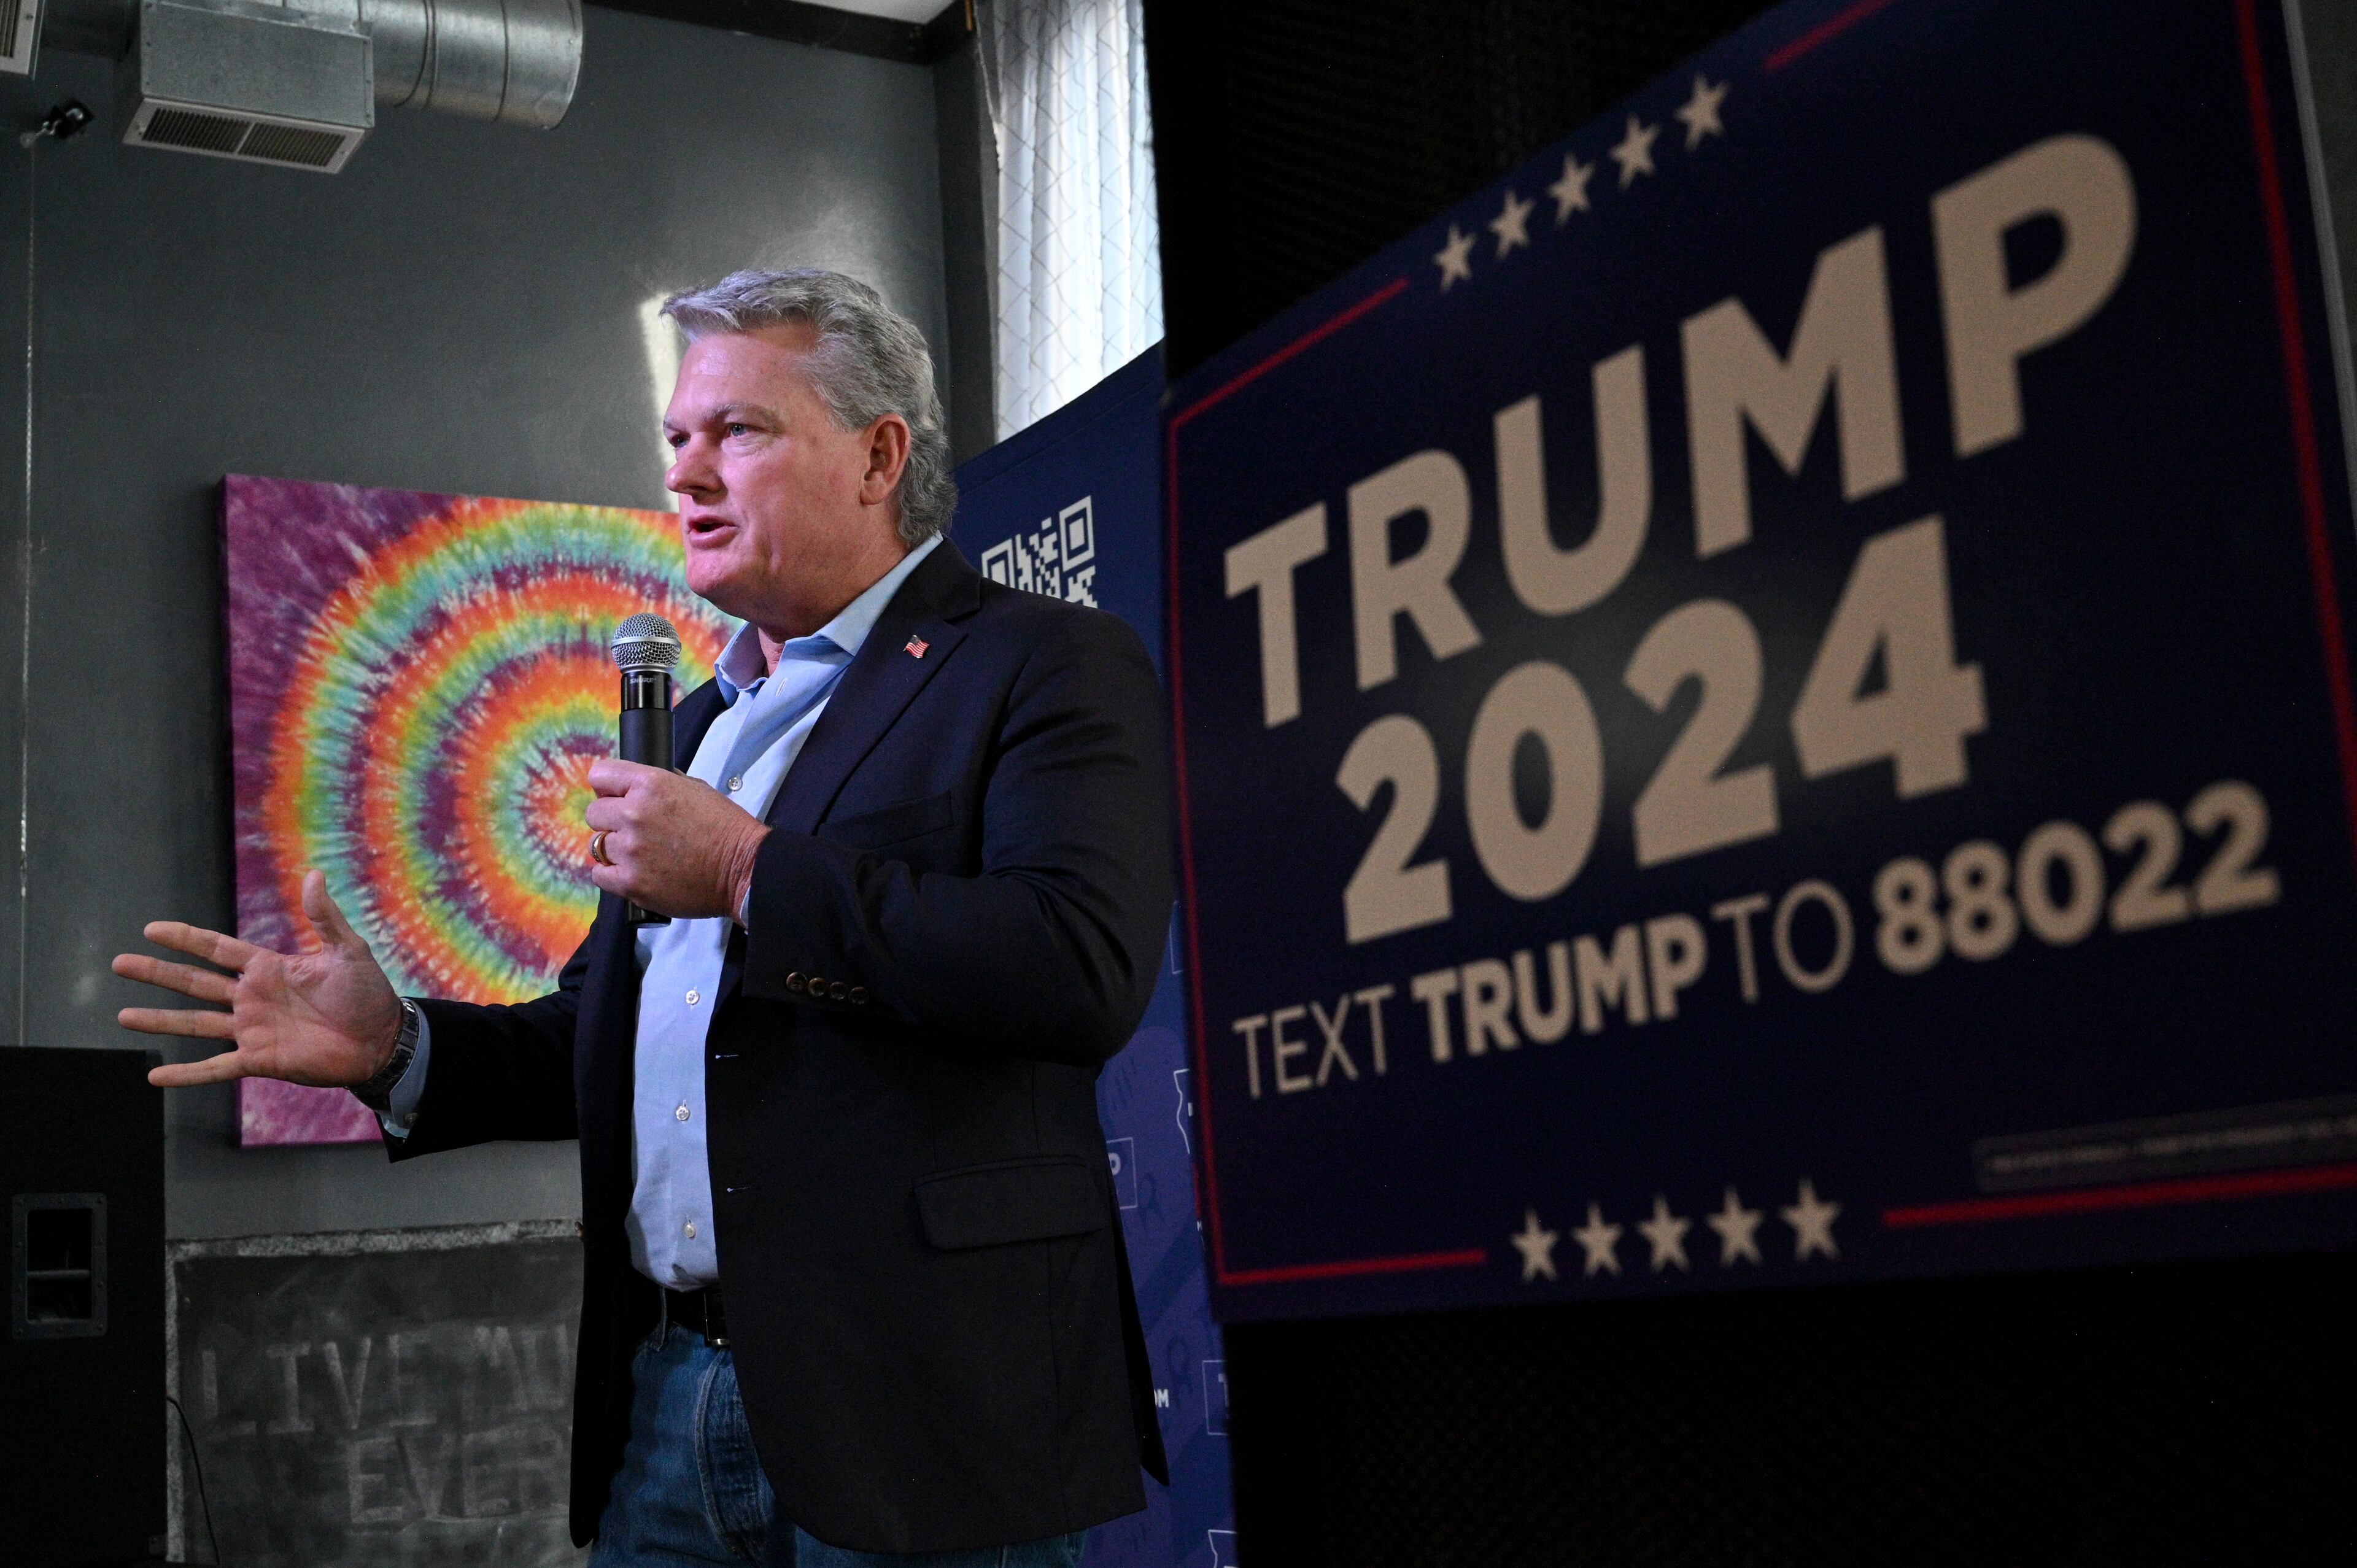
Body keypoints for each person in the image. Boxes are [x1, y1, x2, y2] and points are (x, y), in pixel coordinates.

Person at [113, 269, 1174, 1566]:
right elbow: (605, 1041)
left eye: (740, 432)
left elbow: (1076, 967)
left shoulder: (1039, 660)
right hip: (670, 1399)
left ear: (879, 455)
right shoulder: (712, 730)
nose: (688, 474)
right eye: (678, 438)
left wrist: (743, 871)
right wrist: (392, 1046)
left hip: (925, 1405)